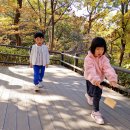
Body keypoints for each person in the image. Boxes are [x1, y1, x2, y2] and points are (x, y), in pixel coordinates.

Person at [84, 37, 118, 125]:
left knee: (97, 95)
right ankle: (88, 95)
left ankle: (95, 112)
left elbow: (108, 68)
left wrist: (112, 79)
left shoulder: (104, 59)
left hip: (99, 80)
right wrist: (95, 80)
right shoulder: (88, 58)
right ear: (93, 48)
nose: (100, 51)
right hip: (90, 78)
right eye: (98, 49)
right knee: (91, 92)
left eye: (102, 49)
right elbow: (90, 70)